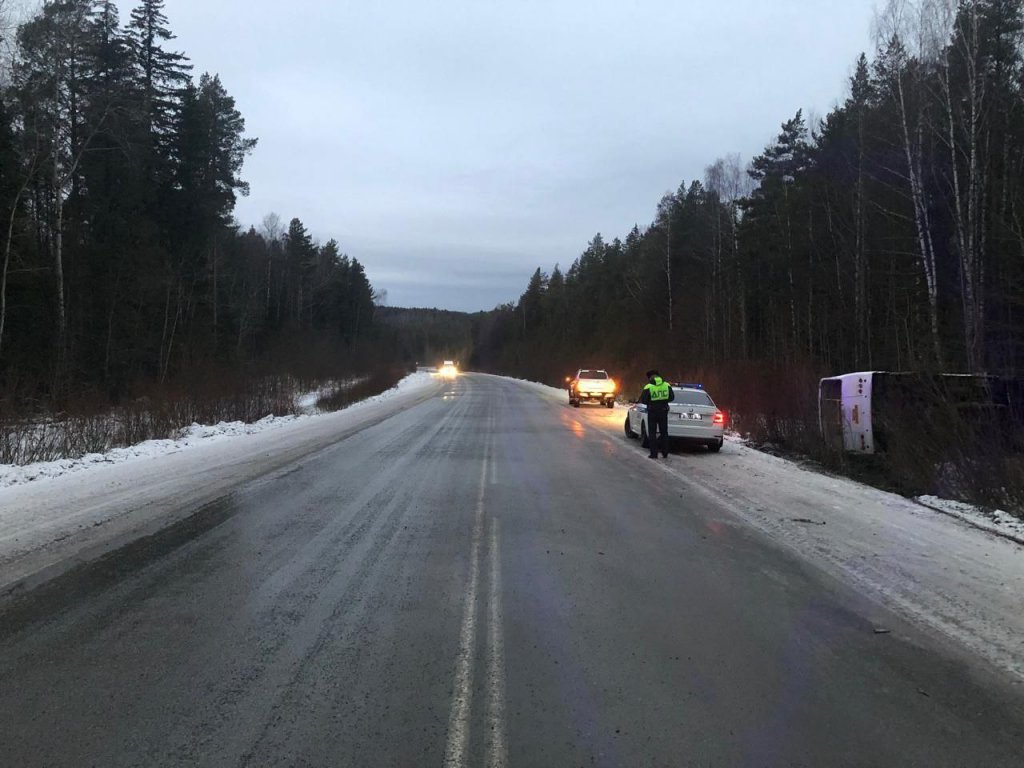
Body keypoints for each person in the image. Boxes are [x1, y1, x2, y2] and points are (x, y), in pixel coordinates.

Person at [640, 369, 674, 458]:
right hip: (663, 411)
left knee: (652, 433)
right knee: (664, 432)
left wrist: (651, 402)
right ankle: (665, 452)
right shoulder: (667, 385)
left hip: (652, 411)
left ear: (650, 377)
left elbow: (643, 400)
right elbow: (671, 397)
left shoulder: (648, 387)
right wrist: (663, 401)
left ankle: (654, 454)